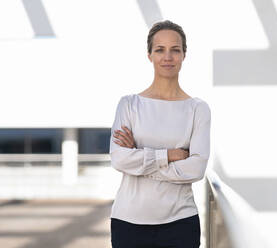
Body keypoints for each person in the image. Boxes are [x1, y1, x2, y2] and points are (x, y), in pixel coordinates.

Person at [109, 20, 211, 248]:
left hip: (180, 223)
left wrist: (140, 159)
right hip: (128, 222)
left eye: (175, 50)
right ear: (149, 55)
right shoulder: (128, 105)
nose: (168, 57)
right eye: (160, 50)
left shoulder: (198, 109)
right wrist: (169, 155)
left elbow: (196, 168)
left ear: (184, 55)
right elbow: (119, 159)